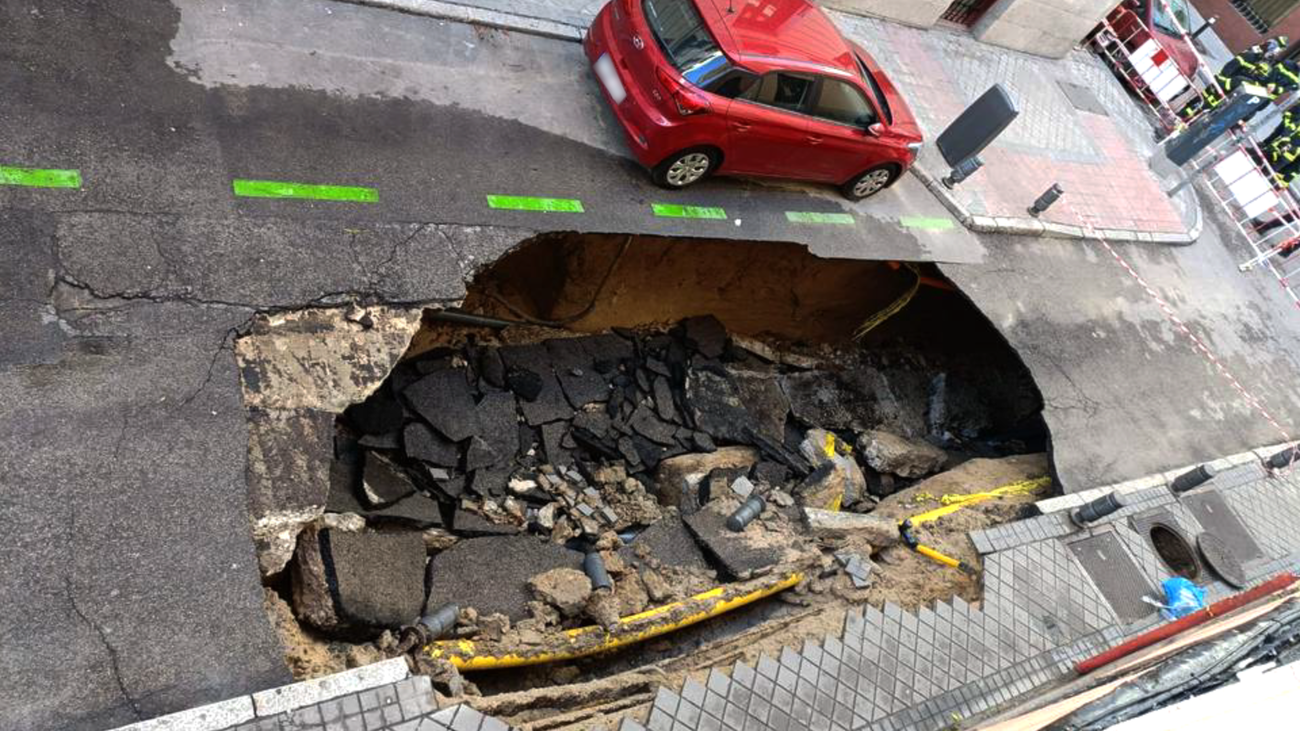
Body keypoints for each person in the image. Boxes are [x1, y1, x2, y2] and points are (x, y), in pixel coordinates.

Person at [1181, 36, 1288, 119]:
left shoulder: (1260, 59)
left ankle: (1185, 121)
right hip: (1224, 84)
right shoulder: (1251, 55)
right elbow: (1230, 66)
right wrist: (1222, 82)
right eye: (1274, 52)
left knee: (1207, 108)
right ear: (1270, 47)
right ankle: (1181, 116)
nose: (1274, 55)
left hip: (1230, 88)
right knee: (1202, 102)